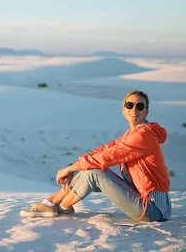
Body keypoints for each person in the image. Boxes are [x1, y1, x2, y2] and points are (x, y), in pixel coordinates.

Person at [20, 90, 171, 222]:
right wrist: (76, 166)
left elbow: (106, 158)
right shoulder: (132, 134)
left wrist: (69, 169)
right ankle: (50, 204)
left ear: (146, 111)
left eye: (140, 106)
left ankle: (61, 206)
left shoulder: (143, 135)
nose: (134, 109)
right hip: (146, 203)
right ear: (123, 109)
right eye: (129, 105)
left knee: (95, 172)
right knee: (91, 168)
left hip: (153, 210)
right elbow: (104, 150)